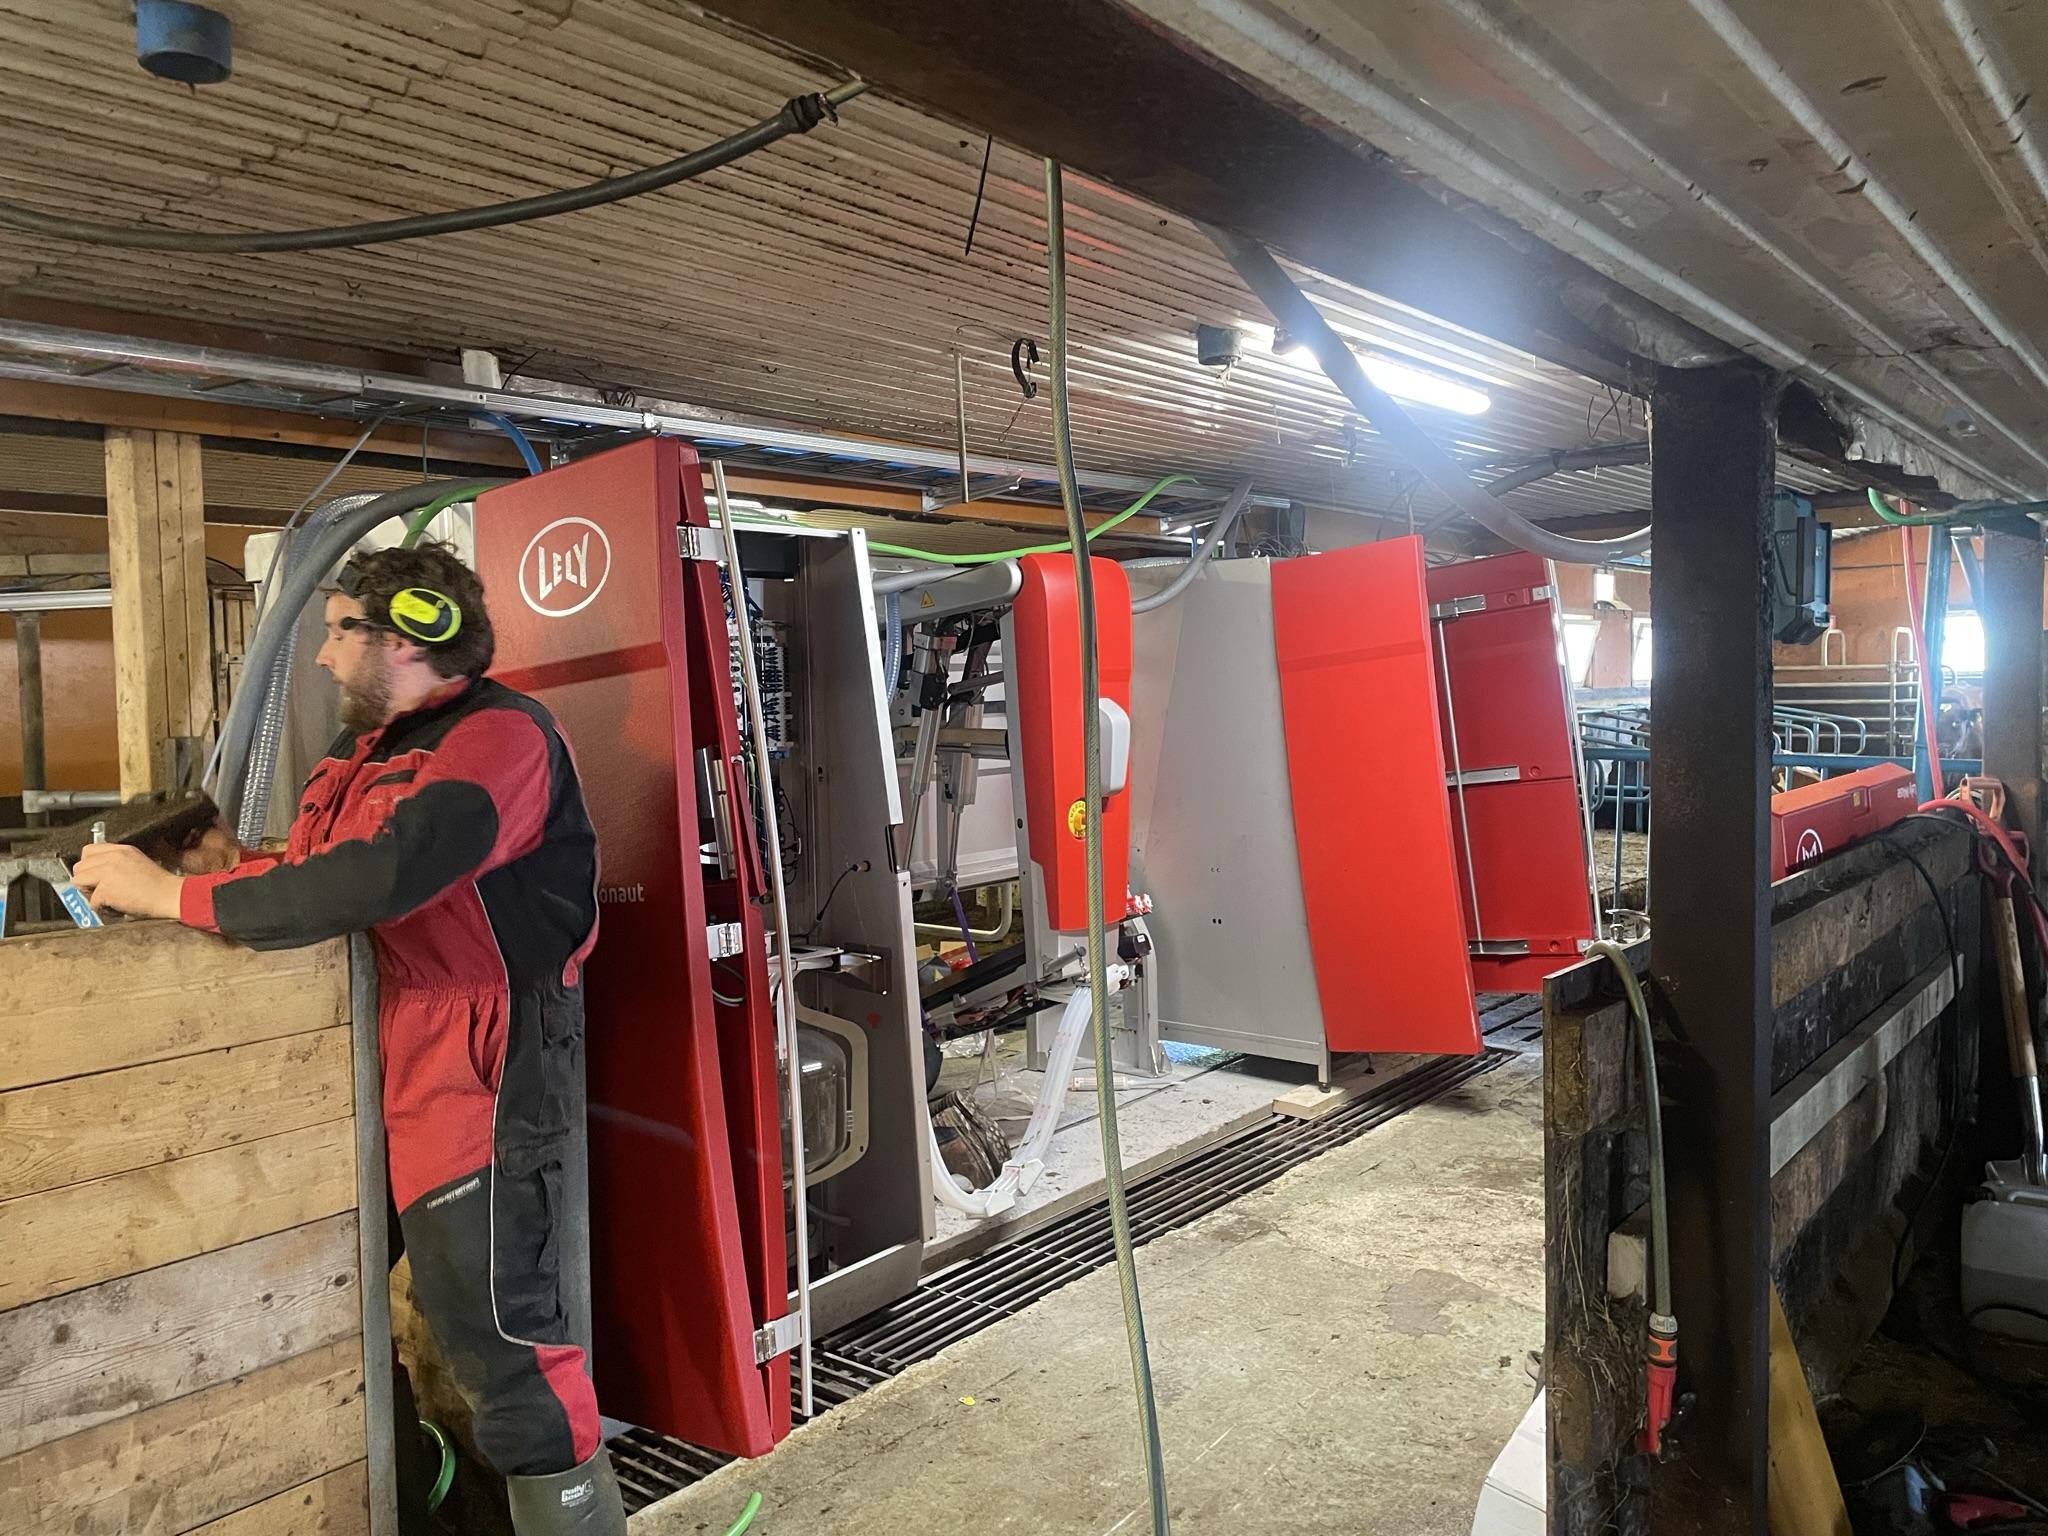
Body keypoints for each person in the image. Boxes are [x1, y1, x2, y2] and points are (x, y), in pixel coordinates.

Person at [75, 544, 623, 1536]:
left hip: (484, 1062)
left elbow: (385, 876)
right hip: (383, 1053)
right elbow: (322, 869)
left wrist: (171, 896)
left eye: (338, 632)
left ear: (409, 636)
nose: (324, 656)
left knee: (500, 1338)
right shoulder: (360, 753)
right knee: (348, 1306)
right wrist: (224, 865)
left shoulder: (500, 739)